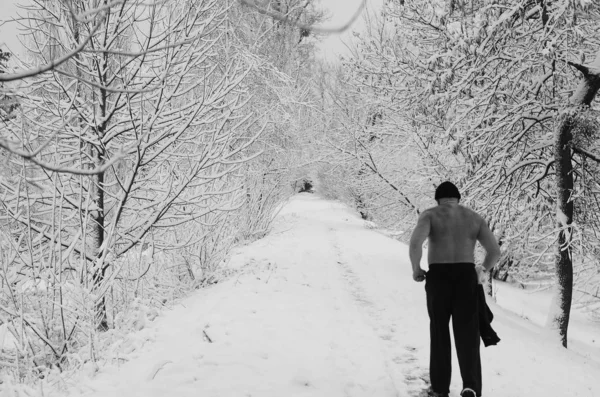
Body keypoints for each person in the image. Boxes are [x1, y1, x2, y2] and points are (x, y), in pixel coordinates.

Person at [409, 181, 500, 397]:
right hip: (466, 277)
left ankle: (440, 389)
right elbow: (494, 251)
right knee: (468, 335)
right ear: (458, 198)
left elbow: (415, 244)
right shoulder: (474, 217)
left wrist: (416, 269)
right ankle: (471, 387)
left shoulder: (430, 215)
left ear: (438, 199)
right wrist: (482, 269)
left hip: (438, 277)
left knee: (439, 331)